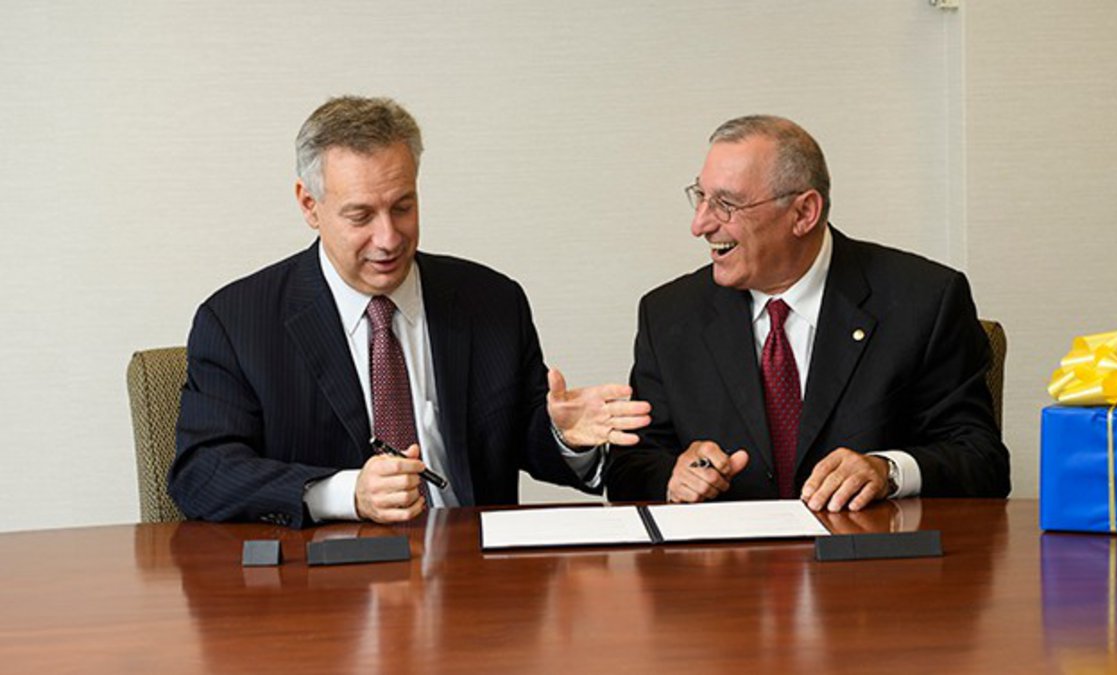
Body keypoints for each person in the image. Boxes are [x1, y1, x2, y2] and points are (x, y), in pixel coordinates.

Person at [168, 96, 650, 527]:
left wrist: (565, 437)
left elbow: (526, 443)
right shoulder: (237, 321)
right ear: (309, 205)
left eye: (403, 207)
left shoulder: (491, 301)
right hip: (326, 588)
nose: (389, 238)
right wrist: (346, 494)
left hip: (472, 580)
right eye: (361, 216)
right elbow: (202, 473)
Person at [605, 115, 1009, 511]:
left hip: (870, 568)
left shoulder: (924, 300)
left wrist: (887, 471)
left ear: (803, 213)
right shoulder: (670, 316)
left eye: (726, 204)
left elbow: (981, 460)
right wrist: (673, 476)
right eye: (702, 197)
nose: (701, 224)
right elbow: (628, 467)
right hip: (728, 570)